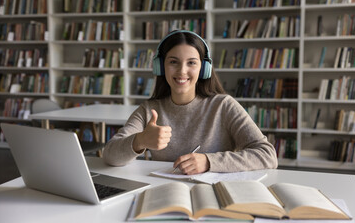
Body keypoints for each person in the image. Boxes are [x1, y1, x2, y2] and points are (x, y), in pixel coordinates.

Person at [103, 30, 278, 175]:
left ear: (203, 68)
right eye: (173, 62)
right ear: (160, 66)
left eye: (192, 63)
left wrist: (209, 162)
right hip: (164, 192)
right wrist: (140, 140)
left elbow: (268, 155)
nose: (182, 71)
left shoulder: (223, 105)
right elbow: (110, 155)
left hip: (212, 193)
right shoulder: (149, 110)